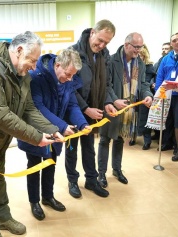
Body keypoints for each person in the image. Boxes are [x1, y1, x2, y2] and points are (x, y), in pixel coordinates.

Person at [0, 31, 64, 237]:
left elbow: (29, 109)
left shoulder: (21, 74)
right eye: (32, 60)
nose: (34, 66)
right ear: (18, 51)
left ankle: (4, 218)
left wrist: (52, 129)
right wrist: (36, 137)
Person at [17, 48, 91, 221]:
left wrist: (82, 123)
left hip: (56, 131)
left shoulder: (67, 80)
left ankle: (48, 197)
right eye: (67, 74)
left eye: (73, 75)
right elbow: (37, 107)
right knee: (34, 166)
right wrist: (62, 126)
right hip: (36, 129)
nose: (70, 79)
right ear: (57, 65)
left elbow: (72, 105)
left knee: (51, 162)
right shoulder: (36, 77)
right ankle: (34, 201)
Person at [65, 19, 117, 199]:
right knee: (72, 148)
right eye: (100, 40)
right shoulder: (73, 52)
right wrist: (86, 109)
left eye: (106, 42)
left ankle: (91, 180)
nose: (102, 45)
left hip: (94, 109)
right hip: (74, 110)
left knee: (89, 147)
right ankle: (72, 180)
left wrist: (108, 102)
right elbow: (68, 88)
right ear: (92, 32)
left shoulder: (104, 55)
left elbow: (107, 83)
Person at [97, 32, 153, 187]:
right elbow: (105, 85)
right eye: (136, 47)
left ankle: (117, 169)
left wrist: (148, 95)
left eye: (140, 47)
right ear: (126, 44)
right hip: (111, 107)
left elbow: (143, 84)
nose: (138, 50)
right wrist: (114, 100)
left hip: (128, 110)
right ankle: (101, 173)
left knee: (120, 139)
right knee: (105, 139)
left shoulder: (140, 64)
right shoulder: (110, 60)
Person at [154, 33, 178, 153]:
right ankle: (167, 143)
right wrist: (159, 92)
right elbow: (160, 76)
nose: (177, 42)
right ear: (171, 44)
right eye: (174, 40)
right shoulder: (166, 58)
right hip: (167, 94)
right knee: (167, 120)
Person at [137, 44, 156, 150]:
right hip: (133, 95)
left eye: (141, 55)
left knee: (144, 118)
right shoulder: (131, 65)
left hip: (145, 94)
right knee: (134, 117)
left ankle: (147, 140)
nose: (139, 57)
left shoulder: (149, 66)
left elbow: (147, 81)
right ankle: (133, 137)